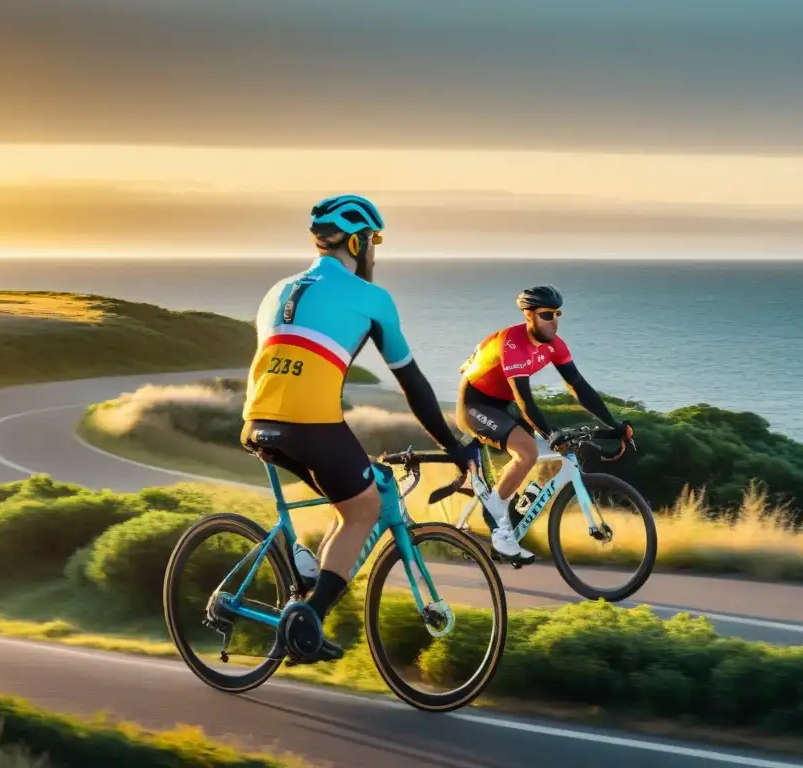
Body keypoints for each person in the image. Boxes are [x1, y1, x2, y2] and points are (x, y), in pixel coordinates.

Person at [240, 193, 479, 664]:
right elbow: (412, 382)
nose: (375, 253)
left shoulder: (278, 290)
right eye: (374, 242)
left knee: (347, 499)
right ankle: (308, 620)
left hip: (255, 421)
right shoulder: (373, 299)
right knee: (365, 508)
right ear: (358, 241)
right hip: (311, 424)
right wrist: (454, 445)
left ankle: (302, 593)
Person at [457, 285, 633, 563]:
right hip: (475, 404)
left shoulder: (555, 345)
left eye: (557, 314)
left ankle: (508, 514)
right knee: (528, 451)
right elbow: (525, 400)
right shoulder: (512, 342)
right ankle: (495, 519)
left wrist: (614, 423)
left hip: (502, 406)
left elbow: (579, 387)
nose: (554, 321)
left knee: (543, 459)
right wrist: (551, 433)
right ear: (529, 316)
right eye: (546, 315)